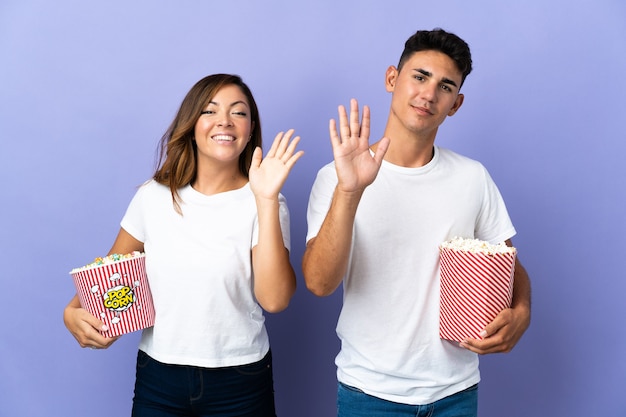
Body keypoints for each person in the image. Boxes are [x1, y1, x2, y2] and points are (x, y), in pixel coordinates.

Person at [302, 28, 531, 416]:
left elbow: (507, 262)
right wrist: (350, 191)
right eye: (420, 76)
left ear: (455, 104)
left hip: (455, 392)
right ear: (393, 78)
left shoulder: (472, 177)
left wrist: (522, 311)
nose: (428, 94)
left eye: (445, 87)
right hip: (370, 391)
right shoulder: (336, 177)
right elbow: (320, 284)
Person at [63, 73, 304, 417]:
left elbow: (275, 299)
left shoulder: (266, 201)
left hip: (240, 379)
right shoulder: (153, 196)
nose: (225, 120)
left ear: (251, 129)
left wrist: (264, 199)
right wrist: (71, 312)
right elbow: (106, 276)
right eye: (210, 111)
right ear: (192, 125)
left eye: (239, 112)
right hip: (158, 377)